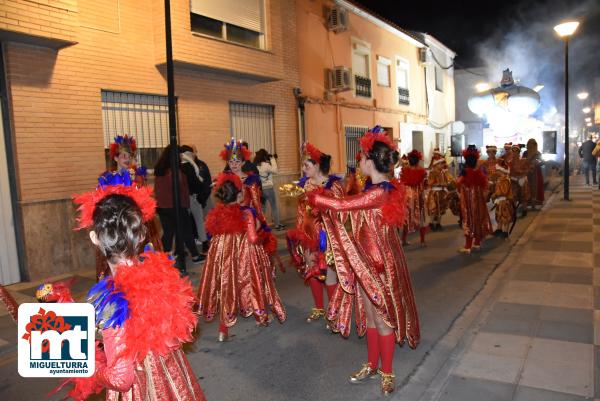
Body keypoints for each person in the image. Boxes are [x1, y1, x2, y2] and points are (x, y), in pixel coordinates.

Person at [62, 178, 205, 401]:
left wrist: (86, 365)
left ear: (94, 238)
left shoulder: (111, 300)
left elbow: (121, 378)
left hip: (142, 390)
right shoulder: (159, 275)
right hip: (172, 379)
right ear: (140, 235)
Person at [308, 126, 420, 395]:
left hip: (379, 264)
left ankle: (387, 372)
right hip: (364, 261)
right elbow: (349, 210)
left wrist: (316, 195)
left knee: (382, 319)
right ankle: (372, 364)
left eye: (361, 158)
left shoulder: (380, 192)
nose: (358, 162)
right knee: (369, 317)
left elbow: (344, 206)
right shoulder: (371, 187)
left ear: (370, 162)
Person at [197, 172, 286, 342]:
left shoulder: (216, 213)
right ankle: (261, 318)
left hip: (223, 256)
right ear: (239, 195)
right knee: (254, 283)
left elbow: (210, 235)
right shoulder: (247, 213)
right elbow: (253, 237)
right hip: (245, 255)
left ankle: (223, 331)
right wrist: (261, 235)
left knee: (226, 288)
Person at [287, 142, 343, 323]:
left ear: (317, 166)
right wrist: (299, 235)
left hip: (328, 237)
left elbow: (341, 212)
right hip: (309, 236)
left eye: (306, 166)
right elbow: (301, 213)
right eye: (303, 165)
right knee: (312, 272)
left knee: (329, 275)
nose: (303, 169)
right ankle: (319, 308)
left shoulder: (333, 186)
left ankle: (334, 313)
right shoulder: (305, 186)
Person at [95, 135, 162, 281]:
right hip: (116, 227)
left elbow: (144, 201)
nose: (127, 159)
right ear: (116, 158)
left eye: (129, 156)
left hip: (135, 225)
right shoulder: (106, 179)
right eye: (123, 156)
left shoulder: (137, 177)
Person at [154, 145, 203, 273]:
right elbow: (182, 190)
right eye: (180, 154)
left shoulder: (160, 170)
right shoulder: (175, 171)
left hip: (163, 206)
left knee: (169, 232)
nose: (182, 156)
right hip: (176, 206)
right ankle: (194, 256)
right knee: (185, 231)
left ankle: (164, 258)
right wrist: (186, 206)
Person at [456, 145, 493, 253]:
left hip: (468, 200)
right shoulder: (479, 173)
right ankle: (477, 243)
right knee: (478, 219)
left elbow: (458, 183)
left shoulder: (465, 172)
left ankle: (468, 246)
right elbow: (484, 185)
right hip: (479, 200)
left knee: (469, 220)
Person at [180, 145, 212, 254]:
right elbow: (196, 183)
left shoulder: (178, 166)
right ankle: (204, 244)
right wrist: (201, 191)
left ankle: (186, 246)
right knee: (199, 221)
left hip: (184, 198)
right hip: (192, 197)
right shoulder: (190, 166)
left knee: (186, 223)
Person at [400, 149, 428, 246]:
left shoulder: (404, 170)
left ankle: (403, 240)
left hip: (407, 196)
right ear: (418, 160)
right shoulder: (422, 171)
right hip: (418, 195)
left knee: (407, 217)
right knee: (420, 217)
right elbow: (425, 185)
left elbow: (402, 184)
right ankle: (422, 241)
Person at [255, 149, 285, 230]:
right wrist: (272, 159)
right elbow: (275, 171)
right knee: (274, 206)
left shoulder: (256, 165)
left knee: (263, 208)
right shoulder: (265, 165)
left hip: (260, 189)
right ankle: (277, 225)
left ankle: (261, 225)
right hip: (268, 188)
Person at [427, 149, 451, 230]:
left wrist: (447, 184)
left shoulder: (443, 172)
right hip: (435, 193)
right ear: (436, 165)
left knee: (441, 209)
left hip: (442, 192)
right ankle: (431, 223)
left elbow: (447, 181)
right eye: (441, 164)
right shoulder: (433, 173)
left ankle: (438, 223)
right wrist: (440, 184)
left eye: (442, 164)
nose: (442, 165)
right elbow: (430, 183)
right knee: (434, 209)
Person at [492, 160, 514, 239]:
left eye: (497, 170)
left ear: (501, 170)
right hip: (500, 201)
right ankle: (499, 229)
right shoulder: (500, 179)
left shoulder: (505, 180)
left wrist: (496, 194)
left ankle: (505, 231)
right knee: (499, 216)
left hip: (504, 201)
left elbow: (504, 191)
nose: (496, 171)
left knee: (505, 216)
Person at [523, 138, 544, 208]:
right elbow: (522, 161)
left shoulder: (537, 153)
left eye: (532, 144)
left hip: (536, 172)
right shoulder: (525, 153)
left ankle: (534, 203)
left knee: (535, 186)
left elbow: (542, 161)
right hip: (527, 172)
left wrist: (537, 163)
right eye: (529, 144)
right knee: (527, 186)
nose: (531, 145)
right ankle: (528, 202)